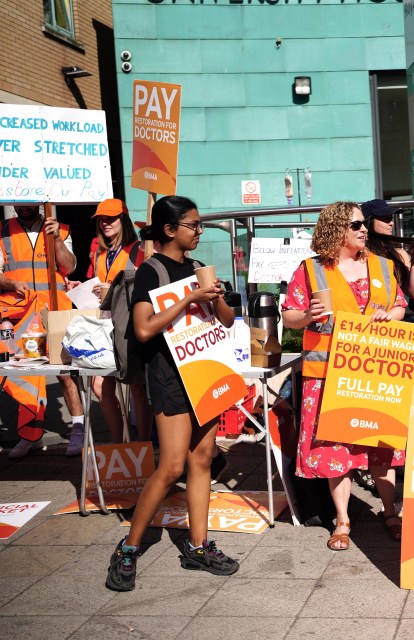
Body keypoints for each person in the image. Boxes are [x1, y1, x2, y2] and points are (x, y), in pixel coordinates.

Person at [105, 195, 239, 592]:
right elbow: (144, 329)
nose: (199, 231)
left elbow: (227, 321)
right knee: (171, 467)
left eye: (199, 225)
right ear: (169, 230)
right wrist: (189, 299)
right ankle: (128, 549)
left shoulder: (198, 268)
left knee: (202, 460)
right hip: (168, 377)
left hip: (204, 373)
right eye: (193, 225)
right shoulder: (151, 270)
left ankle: (199, 546)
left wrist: (216, 299)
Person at [281, 201, 407, 551]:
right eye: (356, 225)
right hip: (327, 373)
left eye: (364, 223)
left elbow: (399, 302)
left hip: (377, 369)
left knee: (380, 445)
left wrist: (391, 317)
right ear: (337, 229)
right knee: (337, 448)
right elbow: (289, 315)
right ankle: (343, 519)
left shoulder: (382, 265)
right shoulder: (309, 269)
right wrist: (307, 316)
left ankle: (389, 511)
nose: (364, 229)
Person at [0, 204, 85, 459]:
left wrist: (57, 237)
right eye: (19, 203)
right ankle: (30, 435)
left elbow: (69, 267)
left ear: (38, 201)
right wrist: (12, 282)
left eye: (29, 202)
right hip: (21, 311)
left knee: (65, 372)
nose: (24, 208)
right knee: (25, 374)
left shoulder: (60, 229)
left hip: (55, 309)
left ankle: (79, 428)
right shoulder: (3, 231)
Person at [90, 198, 153, 443]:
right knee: (100, 386)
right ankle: (119, 444)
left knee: (137, 387)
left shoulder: (139, 249)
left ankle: (142, 445)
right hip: (106, 327)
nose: (105, 223)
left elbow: (146, 282)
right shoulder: (101, 253)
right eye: (101, 219)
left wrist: (115, 288)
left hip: (129, 326)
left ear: (123, 220)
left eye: (111, 218)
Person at [361, 199, 414, 300]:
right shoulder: (360, 252)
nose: (391, 223)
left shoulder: (399, 253)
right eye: (385, 218)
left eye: (391, 218)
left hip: (393, 312)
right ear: (369, 221)